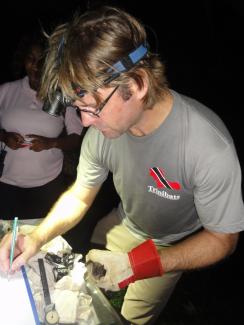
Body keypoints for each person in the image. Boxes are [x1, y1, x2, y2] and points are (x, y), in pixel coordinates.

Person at [0, 6, 244, 324]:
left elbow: (222, 238)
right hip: (122, 222)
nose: (85, 121)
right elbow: (80, 194)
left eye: (91, 108)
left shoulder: (208, 147)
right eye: (78, 108)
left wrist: (138, 265)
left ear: (138, 83)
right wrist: (36, 237)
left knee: (130, 316)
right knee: (94, 290)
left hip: (170, 242)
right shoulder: (103, 132)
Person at [0, 30, 83, 225]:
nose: (36, 66)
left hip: (47, 185)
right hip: (5, 183)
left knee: (38, 241)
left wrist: (50, 142)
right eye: (31, 58)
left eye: (43, 61)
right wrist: (4, 137)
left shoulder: (61, 96)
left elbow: (76, 138)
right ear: (23, 60)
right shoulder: (6, 91)